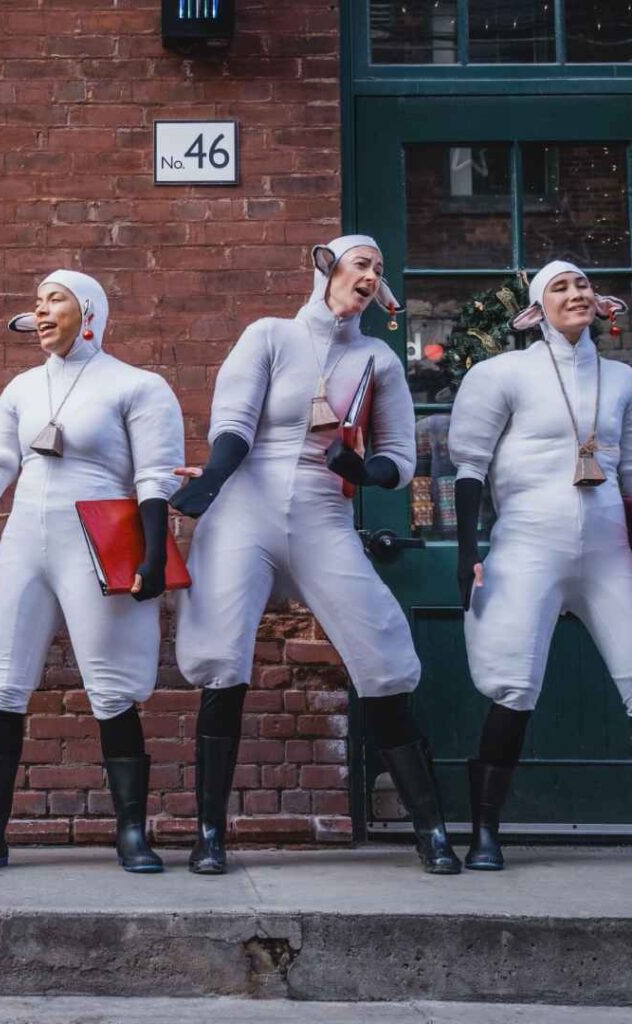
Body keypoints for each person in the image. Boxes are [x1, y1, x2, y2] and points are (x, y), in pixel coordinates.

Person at [172, 235, 461, 876]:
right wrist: (208, 484)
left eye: (380, 270)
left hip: (321, 510)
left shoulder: (376, 360)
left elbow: (399, 459)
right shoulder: (270, 336)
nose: (372, 274)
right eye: (363, 263)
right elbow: (234, 423)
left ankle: (432, 828)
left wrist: (363, 467)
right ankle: (209, 833)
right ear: (327, 266)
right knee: (222, 655)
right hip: (243, 504)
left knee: (381, 649)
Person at [0, 270, 184, 874]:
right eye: (37, 302)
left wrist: (154, 555)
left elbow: (155, 477)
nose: (41, 309)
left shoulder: (137, 386)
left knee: (111, 688)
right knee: (1, 682)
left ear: (89, 311)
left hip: (96, 538)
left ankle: (132, 833)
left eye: (55, 299)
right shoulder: (22, 388)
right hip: (26, 539)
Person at [450, 260, 631, 871]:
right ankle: (485, 831)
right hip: (529, 544)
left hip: (610, 551)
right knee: (513, 686)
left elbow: (629, 473)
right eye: (561, 286)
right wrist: (469, 550)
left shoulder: (623, 379)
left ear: (602, 304)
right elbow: (470, 466)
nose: (576, 293)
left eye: (583, 285)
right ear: (535, 310)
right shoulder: (503, 373)